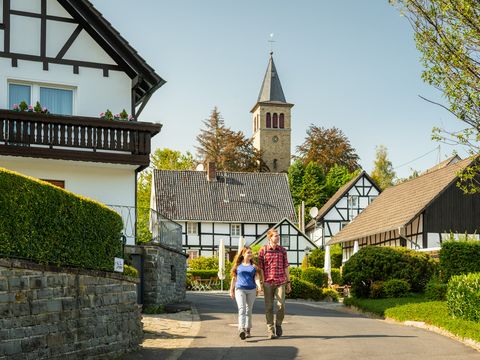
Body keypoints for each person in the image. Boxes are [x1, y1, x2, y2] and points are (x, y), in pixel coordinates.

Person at [258, 228, 291, 339]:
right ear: (270, 237)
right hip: (268, 282)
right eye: (275, 236)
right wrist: (262, 282)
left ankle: (278, 324)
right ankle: (270, 330)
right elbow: (261, 268)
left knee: (281, 305)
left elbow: (286, 266)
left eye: (278, 235)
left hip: (281, 281)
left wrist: (289, 282)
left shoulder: (282, 250)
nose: (278, 237)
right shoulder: (263, 250)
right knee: (268, 307)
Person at [229, 246, 262, 340]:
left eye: (251, 252)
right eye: (248, 252)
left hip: (251, 290)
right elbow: (234, 279)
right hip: (240, 289)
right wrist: (231, 290)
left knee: (249, 310)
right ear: (243, 254)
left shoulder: (254, 266)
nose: (250, 254)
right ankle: (241, 329)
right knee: (242, 308)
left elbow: (256, 277)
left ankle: (248, 329)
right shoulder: (238, 266)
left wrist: (259, 286)